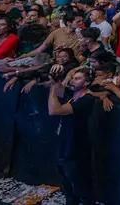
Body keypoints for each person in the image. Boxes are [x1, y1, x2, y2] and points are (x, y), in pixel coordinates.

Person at [47, 67, 96, 205]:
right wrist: (55, 80)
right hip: (65, 140)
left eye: (77, 79)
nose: (73, 81)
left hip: (76, 144)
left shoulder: (86, 99)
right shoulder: (72, 94)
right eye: (73, 78)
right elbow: (60, 89)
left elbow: (54, 110)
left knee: (79, 180)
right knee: (65, 179)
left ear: (87, 82)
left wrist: (52, 88)